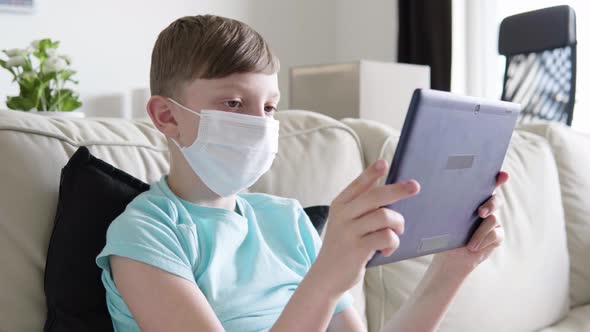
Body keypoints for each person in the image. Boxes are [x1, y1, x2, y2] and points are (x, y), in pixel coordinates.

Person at [96, 14, 509, 332]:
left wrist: (455, 266)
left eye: (270, 107)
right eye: (235, 104)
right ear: (167, 116)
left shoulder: (287, 220)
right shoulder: (145, 234)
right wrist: (327, 278)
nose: (260, 124)